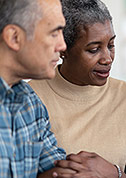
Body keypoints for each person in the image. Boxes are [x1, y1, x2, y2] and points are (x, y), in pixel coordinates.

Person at [29, 0, 126, 177]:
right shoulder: (31, 97)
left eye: (111, 45)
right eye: (94, 49)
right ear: (63, 49)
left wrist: (113, 173)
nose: (107, 59)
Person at [0, 0, 74, 177]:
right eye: (54, 33)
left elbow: (54, 169)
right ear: (14, 37)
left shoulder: (30, 101)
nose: (63, 46)